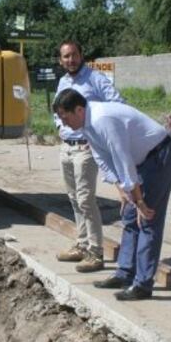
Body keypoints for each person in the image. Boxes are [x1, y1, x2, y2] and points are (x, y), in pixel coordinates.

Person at [52, 88, 171, 301]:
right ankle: (125, 273)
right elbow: (102, 158)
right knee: (129, 215)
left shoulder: (103, 119)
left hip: (159, 155)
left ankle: (143, 285)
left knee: (147, 217)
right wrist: (122, 190)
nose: (64, 124)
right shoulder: (86, 125)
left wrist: (139, 200)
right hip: (141, 161)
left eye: (66, 118)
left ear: (79, 110)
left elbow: (123, 159)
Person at [52, 41, 125, 274]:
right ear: (60, 60)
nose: (71, 60)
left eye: (74, 55)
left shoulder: (95, 79)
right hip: (66, 147)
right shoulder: (63, 82)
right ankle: (82, 244)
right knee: (74, 199)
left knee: (85, 200)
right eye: (66, 56)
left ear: (81, 55)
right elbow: (58, 109)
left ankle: (95, 252)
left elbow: (117, 104)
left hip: (86, 147)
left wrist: (96, 130)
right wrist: (59, 126)